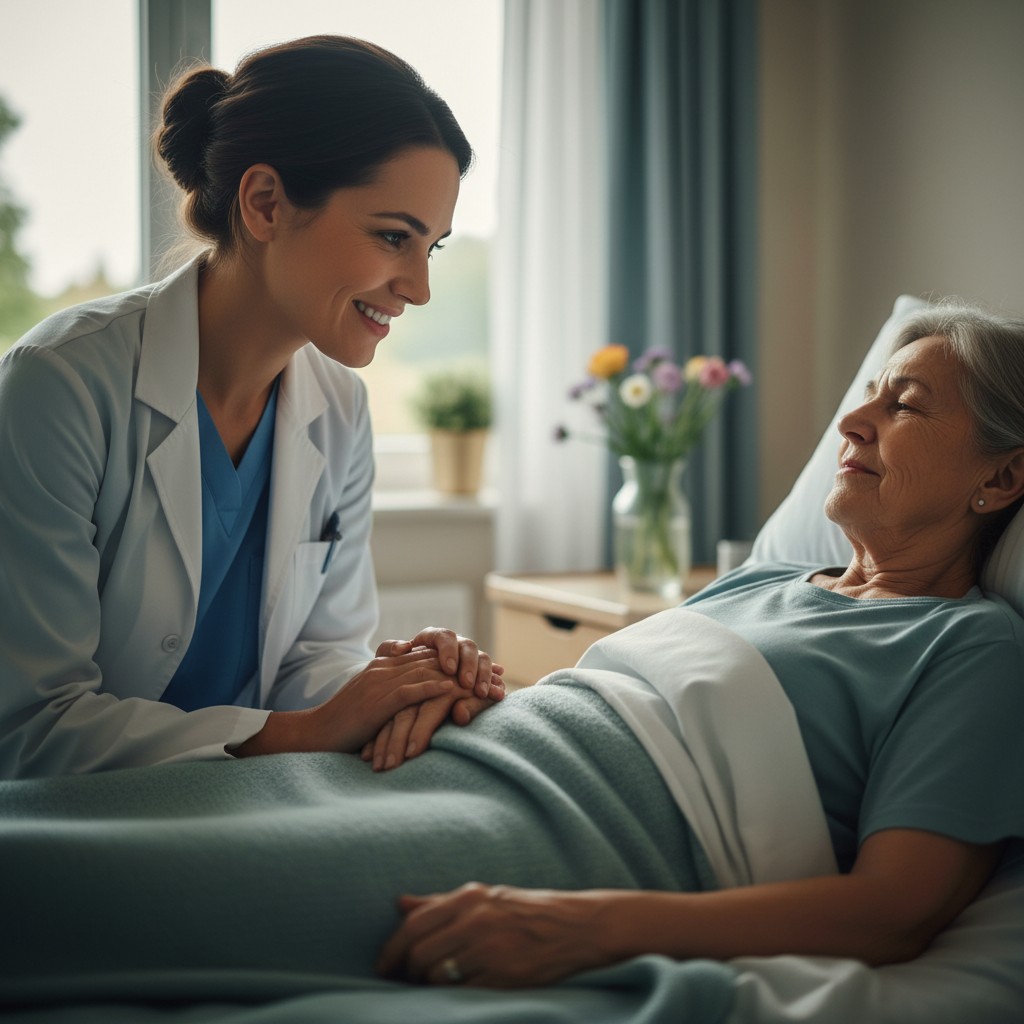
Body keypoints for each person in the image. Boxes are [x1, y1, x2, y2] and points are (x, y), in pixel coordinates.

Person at [372, 301, 1024, 987]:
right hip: (453, 759)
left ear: (1002, 478)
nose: (851, 423)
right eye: (869, 398)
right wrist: (469, 686)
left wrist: (587, 927)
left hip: (549, 838)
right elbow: (624, 699)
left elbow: (892, 913)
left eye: (907, 408)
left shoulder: (971, 646)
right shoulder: (764, 578)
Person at [0, 36, 503, 781]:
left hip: (252, 798)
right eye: (393, 236)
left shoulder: (341, 411)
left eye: (429, 248)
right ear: (265, 203)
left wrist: (401, 685)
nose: (418, 288)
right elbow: (31, 731)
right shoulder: (60, 387)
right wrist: (308, 731)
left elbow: (317, 656)